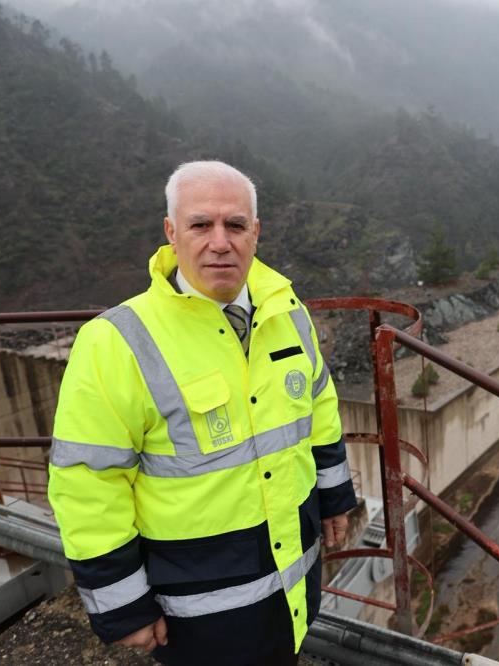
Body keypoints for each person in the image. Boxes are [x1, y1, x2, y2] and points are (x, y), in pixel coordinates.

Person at [48, 160, 356, 665]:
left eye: (235, 225)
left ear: (255, 233)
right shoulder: (117, 342)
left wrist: (335, 495)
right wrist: (123, 606)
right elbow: (88, 482)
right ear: (171, 233)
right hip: (197, 614)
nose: (220, 241)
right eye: (200, 225)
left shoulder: (288, 315)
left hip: (293, 585)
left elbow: (319, 408)